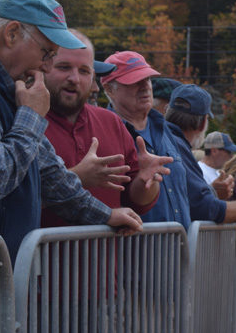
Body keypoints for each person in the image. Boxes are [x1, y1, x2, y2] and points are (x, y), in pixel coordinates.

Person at [0, 0, 142, 258]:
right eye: (47, 53)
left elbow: (47, 171)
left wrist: (105, 214)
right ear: (11, 34)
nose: (46, 67)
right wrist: (31, 117)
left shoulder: (5, 86)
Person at [102, 53, 236, 228]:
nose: (145, 87)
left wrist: (213, 192)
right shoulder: (105, 135)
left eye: (147, 79)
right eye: (134, 81)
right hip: (136, 251)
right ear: (109, 89)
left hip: (176, 251)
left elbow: (191, 199)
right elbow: (201, 206)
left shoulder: (166, 132)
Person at [41, 29, 172, 227]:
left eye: (84, 71)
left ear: (93, 78)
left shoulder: (111, 122)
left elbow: (136, 203)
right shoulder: (26, 122)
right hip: (38, 257)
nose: (74, 78)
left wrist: (147, 181)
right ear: (43, 67)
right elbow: (13, 199)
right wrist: (78, 177)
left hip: (107, 257)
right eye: (64, 67)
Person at [163, 83, 236, 224]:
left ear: (167, 112)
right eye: (228, 152)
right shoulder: (176, 147)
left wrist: (213, 192)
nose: (231, 157)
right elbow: (204, 208)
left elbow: (189, 200)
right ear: (202, 123)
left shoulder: (163, 139)